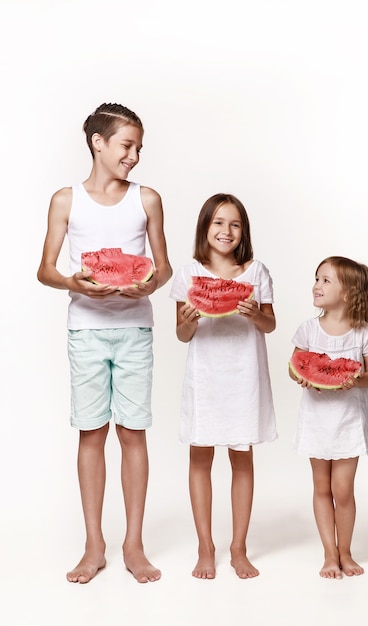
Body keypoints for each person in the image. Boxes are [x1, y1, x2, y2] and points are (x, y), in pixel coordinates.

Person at [37, 102, 172, 584]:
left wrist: (147, 285)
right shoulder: (65, 200)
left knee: (133, 433)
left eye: (138, 148)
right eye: (126, 145)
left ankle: (133, 544)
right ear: (98, 142)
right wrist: (79, 284)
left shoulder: (148, 199)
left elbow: (164, 267)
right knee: (91, 433)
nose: (134, 156)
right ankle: (94, 545)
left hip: (136, 330)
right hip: (86, 331)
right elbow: (46, 269)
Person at [169, 193, 277, 580]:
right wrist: (190, 319)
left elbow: (270, 324)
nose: (226, 231)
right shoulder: (188, 274)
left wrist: (253, 315)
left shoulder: (256, 271)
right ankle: (205, 547)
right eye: (218, 222)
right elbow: (181, 335)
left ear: (243, 231)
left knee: (241, 457)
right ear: (205, 227)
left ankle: (238, 548)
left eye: (234, 224)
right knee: (200, 458)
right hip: (206, 376)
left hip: (244, 375)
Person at [289, 256, 368, 579]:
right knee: (321, 487)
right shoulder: (308, 329)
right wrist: (302, 376)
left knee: (342, 490)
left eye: (326, 280)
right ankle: (329, 553)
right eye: (317, 278)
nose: (317, 285)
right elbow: (297, 364)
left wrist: (356, 378)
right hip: (316, 419)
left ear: (349, 292)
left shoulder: (364, 332)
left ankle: (346, 551)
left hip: (348, 422)